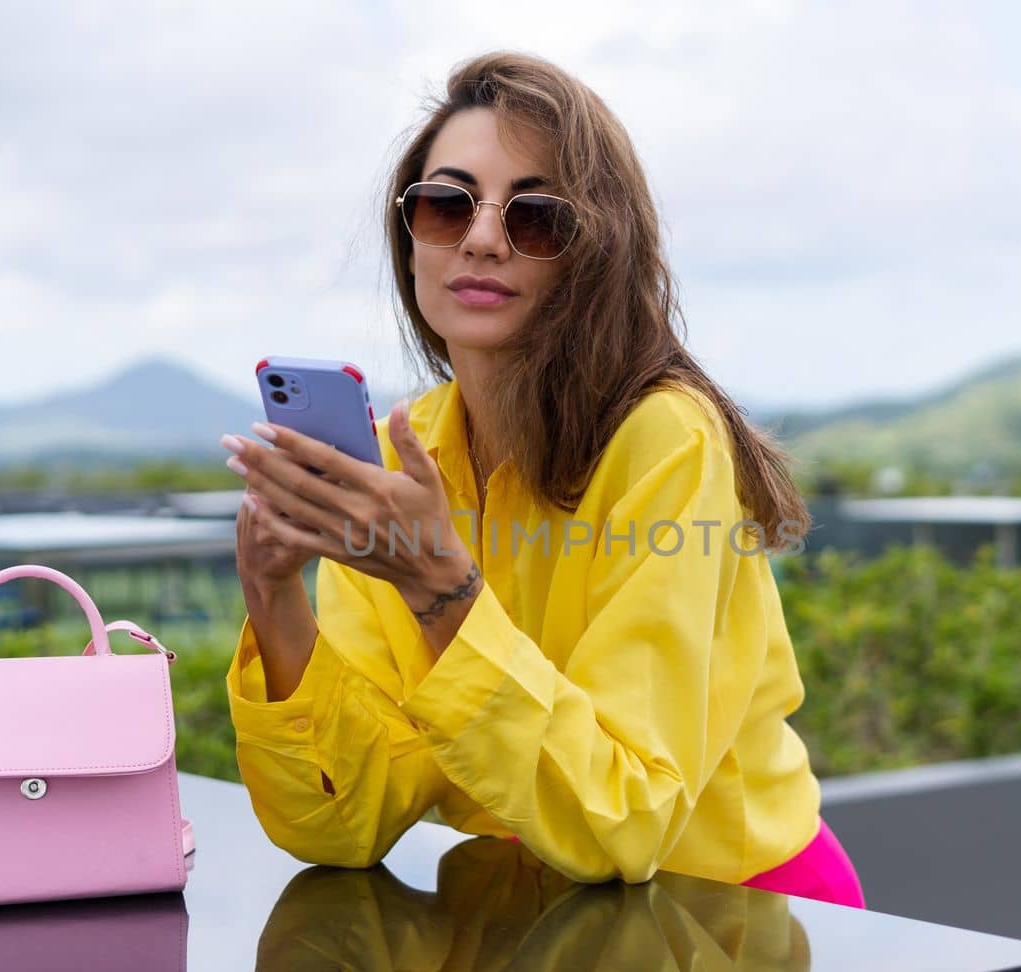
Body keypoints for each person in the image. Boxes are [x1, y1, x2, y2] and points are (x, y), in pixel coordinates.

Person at [219, 50, 863, 908]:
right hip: (540, 929)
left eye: (538, 218)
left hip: (735, 917)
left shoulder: (663, 438)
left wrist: (436, 583)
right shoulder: (409, 454)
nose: (482, 237)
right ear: (409, 239)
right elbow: (344, 826)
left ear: (595, 252)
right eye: (447, 207)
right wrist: (274, 593)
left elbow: (621, 821)